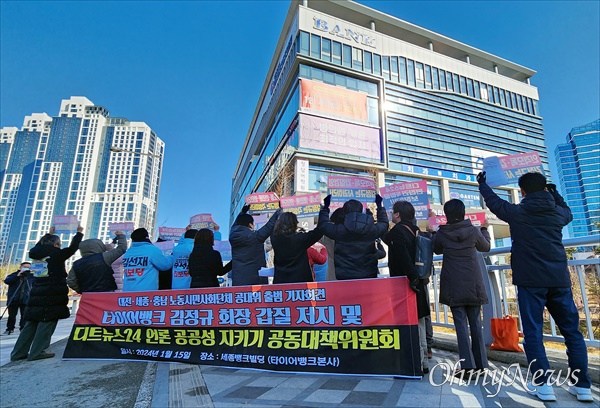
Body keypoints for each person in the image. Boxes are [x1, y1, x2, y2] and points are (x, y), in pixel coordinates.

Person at [477, 171, 592, 402]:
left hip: (530, 281)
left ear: (522, 191)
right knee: (572, 332)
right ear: (545, 189)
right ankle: (582, 387)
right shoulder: (558, 213)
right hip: (558, 279)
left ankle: (543, 385)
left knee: (533, 333)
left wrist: (482, 184)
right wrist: (556, 194)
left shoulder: (518, 212)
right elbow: (568, 212)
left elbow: (494, 203)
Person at [432, 199, 490, 376]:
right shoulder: (473, 231)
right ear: (464, 213)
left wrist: (432, 232)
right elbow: (486, 247)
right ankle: (481, 365)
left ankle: (467, 367)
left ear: (447, 215)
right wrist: (485, 229)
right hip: (473, 282)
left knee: (461, 325)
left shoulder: (442, 233)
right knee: (475, 323)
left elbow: (436, 250)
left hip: (454, 284)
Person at [11, 226, 83, 361]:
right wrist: (79, 233)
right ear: (56, 245)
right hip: (52, 292)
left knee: (31, 322)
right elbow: (73, 248)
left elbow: (39, 246)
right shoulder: (56, 254)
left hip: (36, 290)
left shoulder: (35, 253)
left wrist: (47, 235)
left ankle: (18, 353)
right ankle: (37, 352)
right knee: (47, 321)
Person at [382, 200, 431, 374]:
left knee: (409, 323)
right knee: (419, 322)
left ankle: (414, 363)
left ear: (397, 215)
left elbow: (402, 256)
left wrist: (412, 278)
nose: (390, 214)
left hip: (406, 283)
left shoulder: (397, 231)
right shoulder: (416, 230)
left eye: (391, 212)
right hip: (420, 281)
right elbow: (387, 238)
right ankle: (424, 361)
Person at [318, 194, 389, 280]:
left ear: (344, 212)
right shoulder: (370, 229)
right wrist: (379, 206)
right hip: (368, 275)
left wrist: (325, 208)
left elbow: (323, 225)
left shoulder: (339, 230)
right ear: (361, 211)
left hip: (344, 276)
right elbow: (384, 225)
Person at [229, 205, 281, 286]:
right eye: (253, 224)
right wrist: (279, 211)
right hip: (255, 282)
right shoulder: (255, 237)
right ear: (250, 225)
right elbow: (269, 226)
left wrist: (242, 212)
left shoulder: (232, 235)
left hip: (238, 281)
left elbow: (236, 225)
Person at [270, 212, 323, 284]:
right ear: (294, 224)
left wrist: (277, 212)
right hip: (301, 281)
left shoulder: (274, 238)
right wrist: (323, 211)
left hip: (281, 280)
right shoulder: (300, 239)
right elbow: (318, 232)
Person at [3, 262, 34, 335]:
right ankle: (10, 329)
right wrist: (18, 275)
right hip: (14, 298)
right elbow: (7, 281)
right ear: (20, 267)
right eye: (25, 267)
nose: (26, 269)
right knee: (11, 315)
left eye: (28, 267)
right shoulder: (14, 275)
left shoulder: (31, 277)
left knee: (24, 315)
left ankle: (23, 329)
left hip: (25, 299)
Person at [319, 208, 343, 281]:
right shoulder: (352, 233)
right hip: (352, 275)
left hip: (332, 274)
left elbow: (318, 233)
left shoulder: (327, 234)